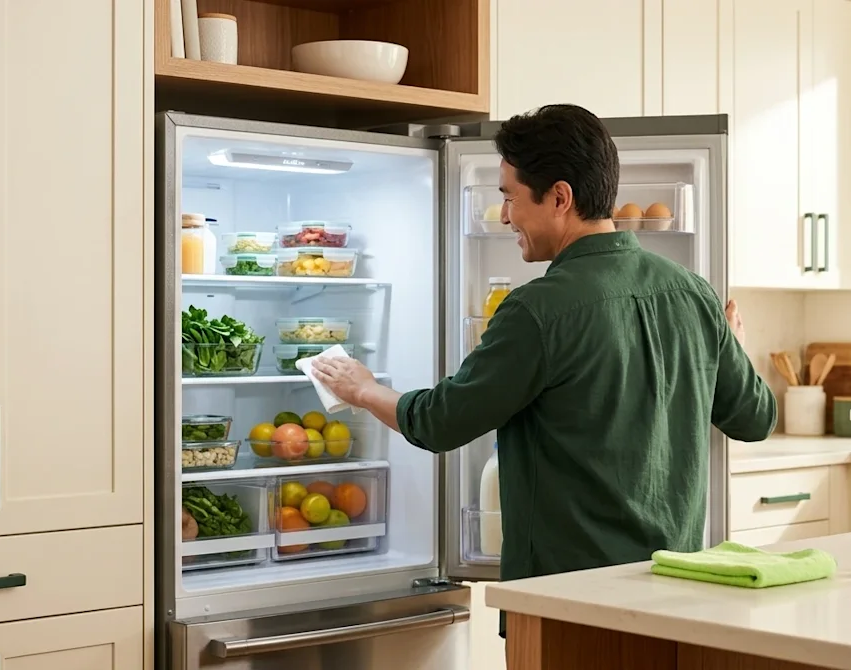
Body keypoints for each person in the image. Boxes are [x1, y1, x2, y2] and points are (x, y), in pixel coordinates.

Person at [312, 103, 776, 640]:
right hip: (674, 593)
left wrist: (365, 389)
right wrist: (735, 346)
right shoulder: (692, 293)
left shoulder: (538, 310)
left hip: (568, 603)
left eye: (509, 195)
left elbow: (441, 422)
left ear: (559, 197)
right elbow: (756, 418)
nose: (505, 215)